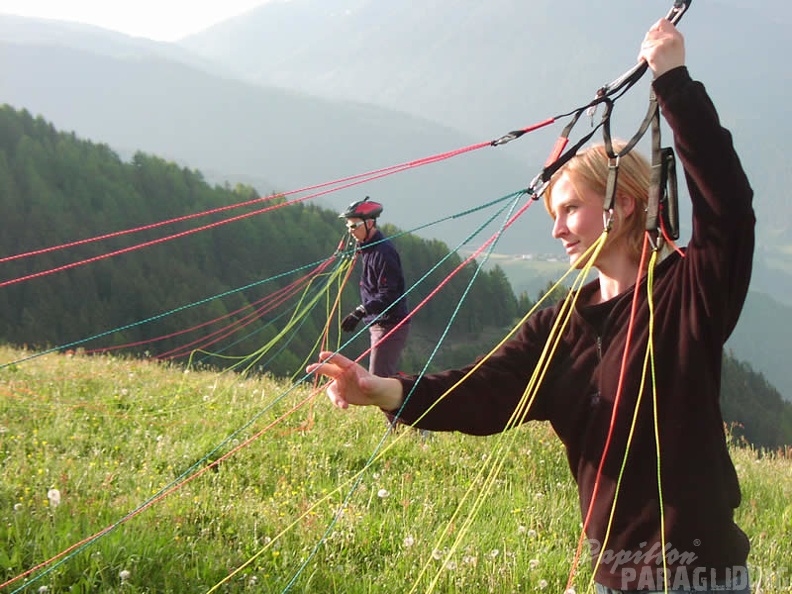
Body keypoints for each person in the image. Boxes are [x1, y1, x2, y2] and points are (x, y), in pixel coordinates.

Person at [310, 19, 753, 594]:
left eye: (570, 210)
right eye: (553, 217)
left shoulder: (688, 295)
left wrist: (676, 84)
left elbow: (729, 212)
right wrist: (382, 390)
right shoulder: (560, 325)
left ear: (621, 206)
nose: (558, 231)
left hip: (703, 581)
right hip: (611, 580)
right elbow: (486, 390)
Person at [338, 196, 410, 379]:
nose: (350, 231)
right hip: (377, 322)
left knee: (378, 380)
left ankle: (412, 391)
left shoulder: (383, 252)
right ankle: (407, 391)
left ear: (369, 223)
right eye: (348, 226)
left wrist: (360, 311)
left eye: (354, 226)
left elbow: (389, 294)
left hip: (390, 323)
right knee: (380, 379)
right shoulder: (368, 248)